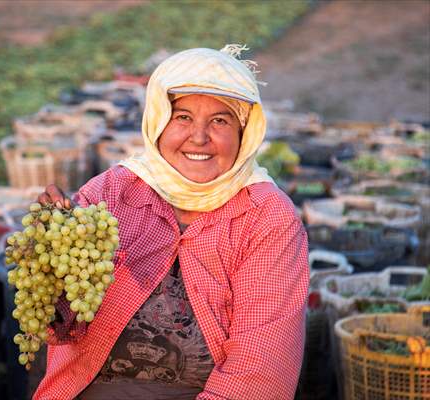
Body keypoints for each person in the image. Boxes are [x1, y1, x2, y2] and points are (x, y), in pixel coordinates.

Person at [34, 45, 309, 400]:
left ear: (245, 134)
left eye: (220, 121)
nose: (199, 137)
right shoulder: (112, 193)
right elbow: (59, 329)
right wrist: (49, 262)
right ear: (158, 123)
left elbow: (260, 372)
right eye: (182, 117)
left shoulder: (269, 220)